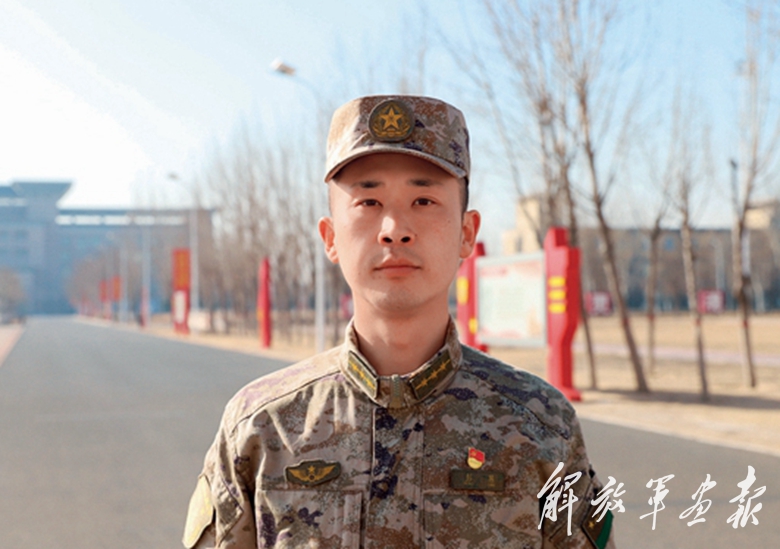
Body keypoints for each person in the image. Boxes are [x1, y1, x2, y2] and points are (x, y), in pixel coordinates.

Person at [183, 95, 616, 548]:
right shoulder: (261, 428)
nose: (394, 229)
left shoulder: (541, 426)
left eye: (424, 200)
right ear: (330, 237)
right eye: (368, 201)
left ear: (466, 232)